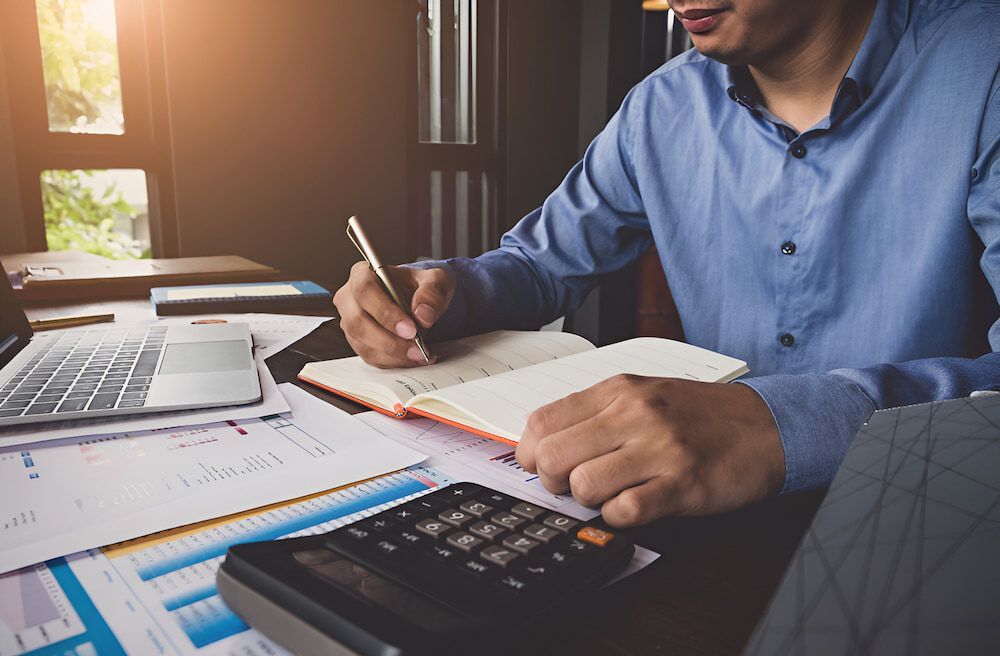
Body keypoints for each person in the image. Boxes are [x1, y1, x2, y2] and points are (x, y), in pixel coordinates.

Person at [334, 0, 1000, 526]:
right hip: (700, 526)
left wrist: (781, 425)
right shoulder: (661, 108)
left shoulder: (983, 67)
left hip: (931, 526)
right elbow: (542, 264)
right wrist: (442, 290)